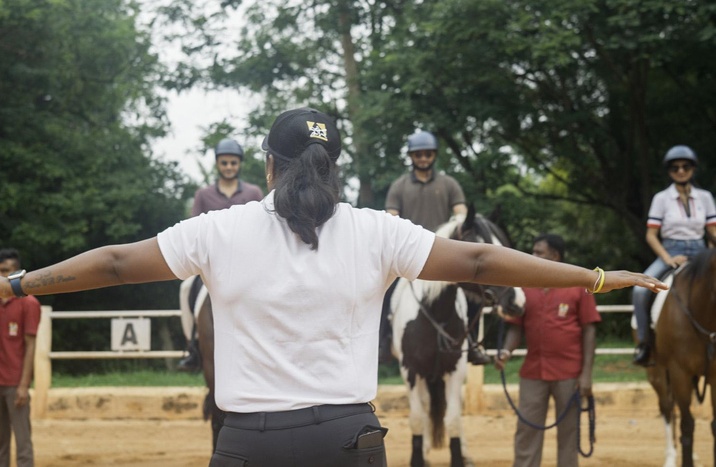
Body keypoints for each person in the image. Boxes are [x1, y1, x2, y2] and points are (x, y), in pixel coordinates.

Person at [0, 107, 666, 467]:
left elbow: (115, 263)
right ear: (334, 168)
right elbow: (482, 265)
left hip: (247, 444)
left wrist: (18, 283)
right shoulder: (378, 230)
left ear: (267, 164)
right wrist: (597, 276)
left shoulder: (219, 230)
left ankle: (189, 347)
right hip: (348, 442)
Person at [632, 145, 716, 372]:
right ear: (669, 171)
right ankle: (645, 343)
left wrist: (713, 255)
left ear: (693, 169)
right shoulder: (661, 198)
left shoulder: (705, 197)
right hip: (671, 250)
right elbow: (651, 235)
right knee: (640, 290)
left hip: (702, 251)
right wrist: (668, 259)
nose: (680, 171)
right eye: (675, 167)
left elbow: (714, 233)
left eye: (685, 166)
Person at [383, 131, 493, 365]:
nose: (423, 158)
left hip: (442, 254)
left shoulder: (449, 184)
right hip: (409, 255)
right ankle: (384, 342)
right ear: (411, 156)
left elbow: (461, 216)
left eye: (427, 154)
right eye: (418, 154)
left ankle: (471, 343)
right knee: (386, 293)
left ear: (434, 155)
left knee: (472, 292)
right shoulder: (399, 186)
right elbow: (390, 219)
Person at [494, 234, 600, 467]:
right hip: (533, 373)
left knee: (569, 434)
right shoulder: (524, 285)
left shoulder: (578, 283)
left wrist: (586, 375)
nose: (533, 256)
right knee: (527, 431)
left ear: (555, 256)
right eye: (533, 251)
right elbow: (515, 328)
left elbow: (589, 330)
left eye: (539, 252)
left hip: (569, 374)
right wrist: (506, 353)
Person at [178, 138, 264, 372]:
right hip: (212, 262)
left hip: (246, 260)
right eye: (224, 162)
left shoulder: (253, 192)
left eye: (233, 163)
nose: (228, 167)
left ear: (239, 164)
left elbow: (263, 226)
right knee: (185, 288)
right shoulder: (204, 195)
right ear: (218, 164)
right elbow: (194, 227)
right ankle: (192, 347)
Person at [0, 248, 40, 467]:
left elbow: (30, 345)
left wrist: (24, 385)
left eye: (6, 271)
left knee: (23, 444)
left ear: (17, 272)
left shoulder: (29, 303)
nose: (2, 276)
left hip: (16, 383)